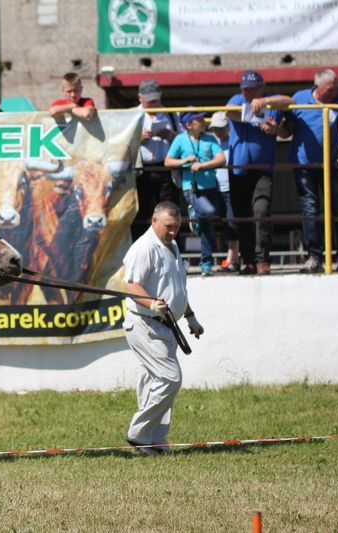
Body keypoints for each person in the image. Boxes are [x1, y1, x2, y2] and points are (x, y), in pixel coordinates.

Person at [123, 201, 204, 455]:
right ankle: (138, 434)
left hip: (167, 326)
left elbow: (176, 287)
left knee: (154, 383)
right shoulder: (144, 248)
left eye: (177, 227)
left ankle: (154, 442)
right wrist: (151, 303)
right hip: (146, 324)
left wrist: (190, 316)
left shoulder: (172, 246)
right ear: (154, 221)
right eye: (168, 227)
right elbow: (131, 285)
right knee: (170, 379)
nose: (173, 232)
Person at [225, 70, 293, 275]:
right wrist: (256, 119)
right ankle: (248, 260)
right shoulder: (238, 100)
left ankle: (263, 259)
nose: (247, 93)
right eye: (245, 89)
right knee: (242, 217)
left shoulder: (272, 103)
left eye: (252, 89)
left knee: (261, 212)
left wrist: (275, 129)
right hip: (237, 170)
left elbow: (288, 104)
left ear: (262, 87)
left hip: (263, 170)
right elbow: (228, 111)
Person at [285, 68, 338, 273]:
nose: (334, 92)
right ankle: (314, 257)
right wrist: (275, 127)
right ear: (317, 86)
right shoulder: (299, 98)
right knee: (310, 209)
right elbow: (287, 130)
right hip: (304, 165)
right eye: (330, 89)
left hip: (333, 165)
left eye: (337, 88)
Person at [165, 111, 226, 276]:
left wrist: (203, 166)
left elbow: (221, 159)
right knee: (209, 213)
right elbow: (168, 161)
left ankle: (206, 262)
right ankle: (195, 212)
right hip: (190, 187)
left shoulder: (210, 138)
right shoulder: (180, 139)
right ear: (189, 124)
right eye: (198, 119)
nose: (203, 121)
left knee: (208, 224)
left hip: (211, 186)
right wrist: (184, 161)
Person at [132, 79, 182, 240]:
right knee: (142, 211)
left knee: (168, 210)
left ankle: (170, 246)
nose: (154, 103)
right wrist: (137, 138)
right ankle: (141, 248)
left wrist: (171, 136)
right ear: (140, 98)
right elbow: (121, 142)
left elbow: (183, 140)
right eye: (150, 100)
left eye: (156, 99)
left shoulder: (171, 114)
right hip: (141, 170)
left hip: (165, 169)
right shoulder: (132, 115)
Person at [208, 111, 240, 272]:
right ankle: (228, 257)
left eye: (221, 128)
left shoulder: (235, 142)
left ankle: (231, 258)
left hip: (231, 187)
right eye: (215, 128)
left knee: (231, 223)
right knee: (219, 222)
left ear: (228, 127)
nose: (218, 132)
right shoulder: (210, 143)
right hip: (214, 188)